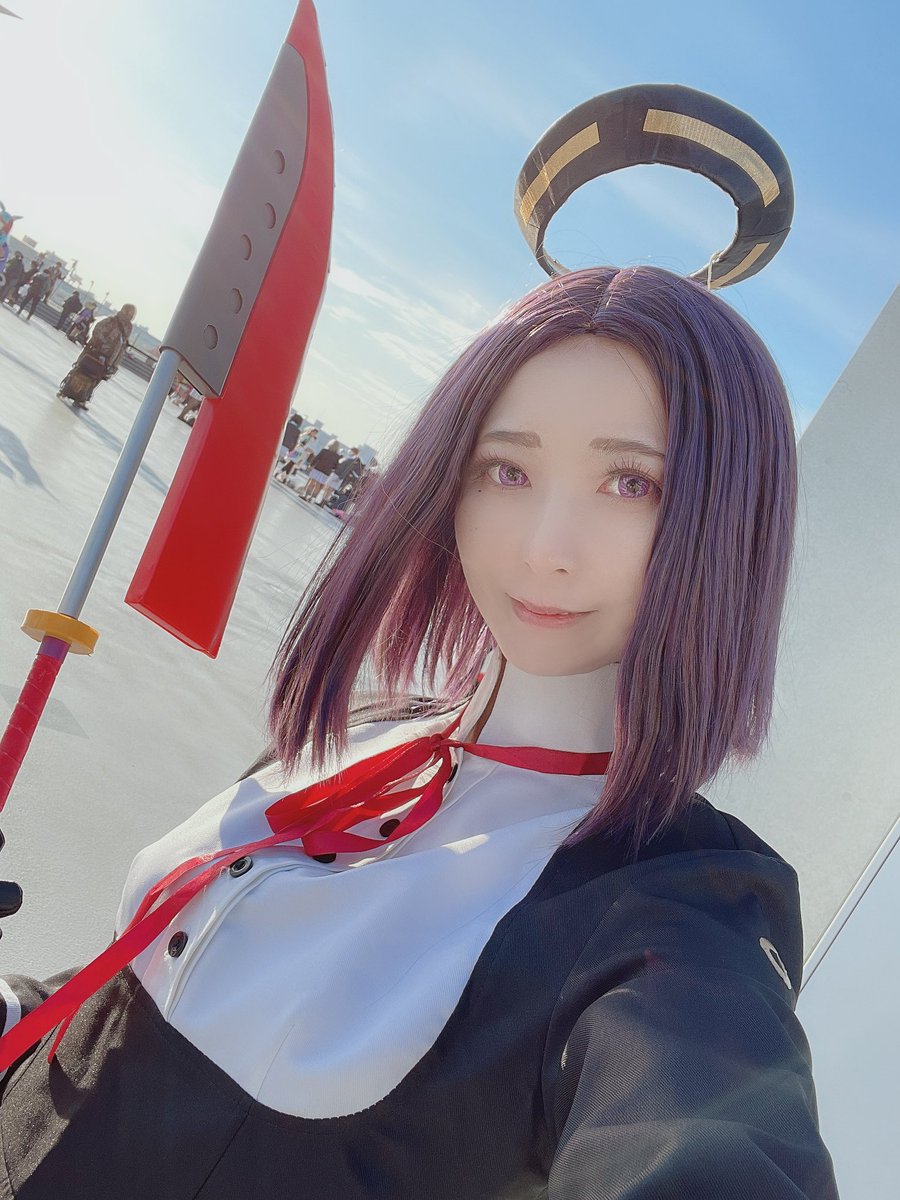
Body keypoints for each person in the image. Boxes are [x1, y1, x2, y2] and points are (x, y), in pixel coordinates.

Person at [0, 266, 838, 1197]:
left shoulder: (670, 914)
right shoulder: (370, 735)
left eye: (630, 482)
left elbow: (704, 1137)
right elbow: (126, 1016)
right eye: (508, 469)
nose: (543, 547)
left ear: (728, 523)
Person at [57, 303, 136, 409]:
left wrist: (114, 364)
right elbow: (97, 331)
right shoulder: (112, 320)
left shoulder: (128, 328)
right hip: (96, 352)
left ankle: (82, 398)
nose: (131, 315)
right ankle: (66, 390)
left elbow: (121, 346)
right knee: (81, 370)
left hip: (109, 359)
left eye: (132, 313)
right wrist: (104, 345)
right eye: (130, 312)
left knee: (96, 378)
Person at [299, 437, 341, 502]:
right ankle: (311, 498)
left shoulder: (324, 451)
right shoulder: (337, 456)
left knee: (311, 483)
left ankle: (305, 496)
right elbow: (336, 467)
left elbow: (316, 458)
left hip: (317, 469)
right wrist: (330, 468)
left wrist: (311, 465)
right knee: (317, 486)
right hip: (326, 473)